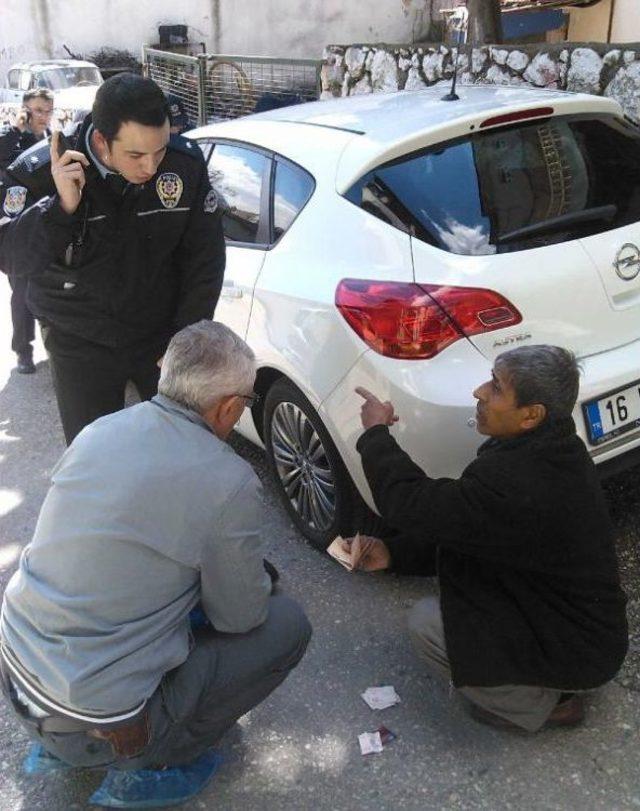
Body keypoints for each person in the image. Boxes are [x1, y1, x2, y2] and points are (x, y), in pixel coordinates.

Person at [0, 320, 312, 808]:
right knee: (286, 624)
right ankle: (152, 763)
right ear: (230, 407)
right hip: (100, 718)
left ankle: (60, 747)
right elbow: (241, 617)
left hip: (18, 676)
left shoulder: (100, 430)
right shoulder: (227, 479)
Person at [346, 345, 628, 732]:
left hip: (578, 649)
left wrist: (376, 434)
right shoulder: (553, 448)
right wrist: (393, 553)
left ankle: (545, 704)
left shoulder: (521, 482)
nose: (479, 392)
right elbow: (468, 527)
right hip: (576, 628)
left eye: (496, 388)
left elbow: (409, 503)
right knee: (463, 591)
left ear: (531, 415)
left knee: (428, 624)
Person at [0, 73, 225, 443]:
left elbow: (205, 258)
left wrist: (187, 336)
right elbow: (12, 258)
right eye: (136, 155)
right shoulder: (41, 171)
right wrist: (61, 209)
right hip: (79, 340)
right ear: (102, 141)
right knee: (95, 457)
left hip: (159, 337)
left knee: (173, 450)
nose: (151, 168)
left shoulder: (184, 164)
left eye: (160, 150)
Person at [0, 88, 54, 373]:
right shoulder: (12, 138)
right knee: (22, 293)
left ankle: (53, 345)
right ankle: (23, 350)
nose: (44, 117)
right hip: (16, 230)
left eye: (48, 111)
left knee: (48, 288)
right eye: (37, 111)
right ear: (25, 110)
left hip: (44, 227)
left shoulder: (50, 137)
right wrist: (16, 127)